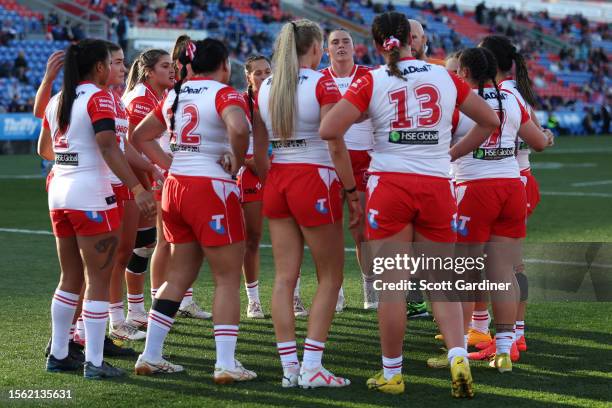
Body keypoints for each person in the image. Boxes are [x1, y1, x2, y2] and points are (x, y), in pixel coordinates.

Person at [320, 12, 500, 397]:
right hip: (437, 185)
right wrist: (449, 152)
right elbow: (489, 122)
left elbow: (329, 129)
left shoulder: (372, 79)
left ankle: (392, 373)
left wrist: (355, 182)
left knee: (392, 288)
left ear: (377, 42)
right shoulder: (444, 75)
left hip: (390, 186)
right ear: (411, 40)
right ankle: (458, 357)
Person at [132, 38, 257, 383]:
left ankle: (151, 354)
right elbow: (239, 127)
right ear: (224, 64)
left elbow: (139, 137)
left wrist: (171, 163)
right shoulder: (223, 93)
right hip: (211, 188)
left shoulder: (175, 94)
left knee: (179, 275)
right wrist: (234, 159)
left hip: (176, 188)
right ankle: (226, 363)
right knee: (228, 278)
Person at [38, 38, 155, 379]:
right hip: (91, 193)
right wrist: (136, 186)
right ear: (100, 67)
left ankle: (60, 353)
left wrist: (73, 155)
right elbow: (108, 146)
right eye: (113, 62)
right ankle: (94, 361)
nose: (118, 67)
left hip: (60, 191)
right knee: (99, 279)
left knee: (70, 277)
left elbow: (45, 149)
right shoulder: (100, 98)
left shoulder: (59, 99)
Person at [254, 19, 361, 388]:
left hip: (279, 177)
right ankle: (313, 365)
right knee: (330, 276)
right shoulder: (320, 81)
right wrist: (352, 192)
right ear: (316, 48)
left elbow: (257, 147)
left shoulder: (266, 84)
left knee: (285, 277)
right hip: (313, 177)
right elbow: (335, 142)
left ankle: (289, 369)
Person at [451, 47, 549, 372]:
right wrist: (547, 138)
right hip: (511, 186)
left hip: (474, 188)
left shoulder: (461, 100)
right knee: (504, 270)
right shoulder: (513, 99)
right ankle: (505, 349)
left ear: (464, 72)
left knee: (464, 271)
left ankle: (463, 344)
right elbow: (537, 140)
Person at [477, 34, 554, 356]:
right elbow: (540, 135)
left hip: (511, 180)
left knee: (505, 265)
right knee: (501, 264)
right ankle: (504, 333)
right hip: (516, 179)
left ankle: (510, 334)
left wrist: (543, 138)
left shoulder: (505, 93)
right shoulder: (511, 92)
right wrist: (546, 138)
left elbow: (534, 136)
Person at [123, 47, 212, 321]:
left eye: (171, 65)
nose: (171, 70)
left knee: (153, 243)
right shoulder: (139, 99)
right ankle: (140, 310)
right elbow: (131, 144)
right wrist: (157, 168)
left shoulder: (159, 95)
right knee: (147, 245)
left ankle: (158, 305)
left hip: (153, 176)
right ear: (149, 72)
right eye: (164, 66)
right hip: (142, 181)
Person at [105, 42, 165, 341]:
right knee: (123, 253)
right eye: (116, 62)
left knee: (136, 247)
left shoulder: (116, 98)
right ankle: (121, 315)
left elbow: (123, 145)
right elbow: (125, 144)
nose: (122, 68)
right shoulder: (138, 97)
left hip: (130, 182)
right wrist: (143, 182)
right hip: (112, 186)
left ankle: (130, 311)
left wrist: (151, 171)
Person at [321, 28, 376, 311]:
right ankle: (336, 291)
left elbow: (375, 109)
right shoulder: (320, 78)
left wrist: (341, 116)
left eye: (346, 41)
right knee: (330, 232)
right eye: (335, 42)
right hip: (328, 160)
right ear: (325, 49)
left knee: (362, 231)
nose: (341, 46)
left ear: (355, 47)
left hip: (364, 161)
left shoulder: (370, 75)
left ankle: (370, 288)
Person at [240, 55, 272, 319]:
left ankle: (295, 296)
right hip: (249, 173)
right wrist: (249, 162)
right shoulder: (240, 102)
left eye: (267, 72)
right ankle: (253, 300)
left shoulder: (279, 99)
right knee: (252, 238)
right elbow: (229, 140)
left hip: (277, 170)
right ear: (248, 77)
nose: (263, 77)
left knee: (292, 236)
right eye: (258, 73)